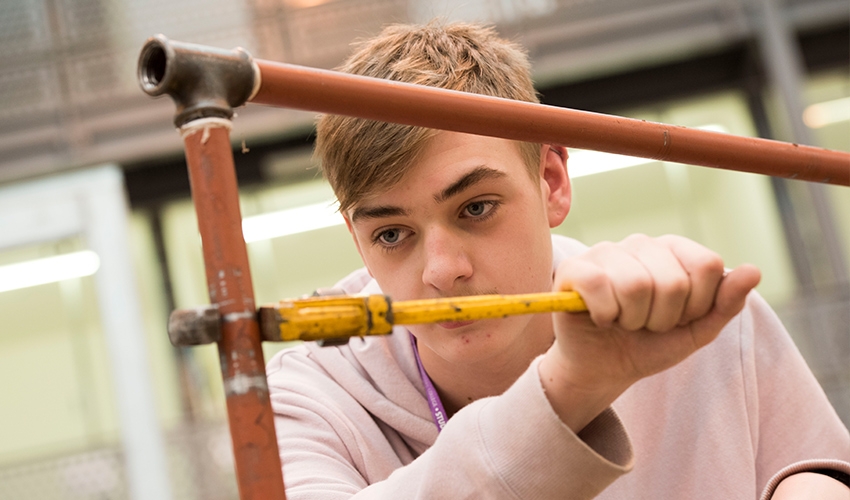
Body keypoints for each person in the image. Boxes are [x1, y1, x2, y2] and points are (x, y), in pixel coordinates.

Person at [266, 22, 850, 499]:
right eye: (392, 234)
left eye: (476, 208)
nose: (442, 271)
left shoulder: (686, 311)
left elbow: (811, 472)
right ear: (355, 238)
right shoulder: (309, 399)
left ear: (551, 181)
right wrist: (572, 387)